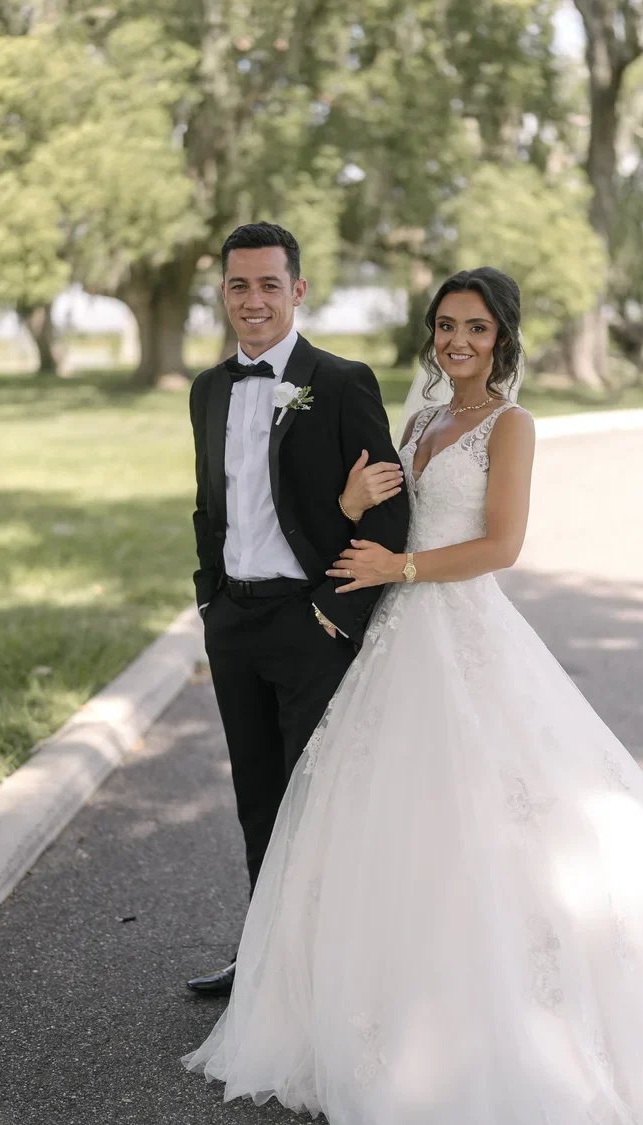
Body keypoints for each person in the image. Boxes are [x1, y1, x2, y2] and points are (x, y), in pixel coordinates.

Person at [183, 267, 643, 1123]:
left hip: (461, 623)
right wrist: (351, 503)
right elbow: (382, 510)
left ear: (502, 339)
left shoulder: (512, 425)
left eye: (475, 329)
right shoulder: (425, 418)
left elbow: (503, 543)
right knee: (371, 813)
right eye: (445, 326)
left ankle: (494, 1001)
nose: (457, 342)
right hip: (393, 630)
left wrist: (402, 567)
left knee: (483, 812)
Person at [186, 222, 409, 997]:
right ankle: (265, 960)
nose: (253, 301)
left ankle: (325, 974)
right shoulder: (207, 387)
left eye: (269, 284)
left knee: (312, 801)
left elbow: (387, 514)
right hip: (234, 623)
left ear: (299, 290)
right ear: (224, 292)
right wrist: (209, 595)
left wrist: (332, 615)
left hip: (309, 623)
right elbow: (211, 504)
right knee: (256, 799)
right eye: (239, 285)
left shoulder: (341, 381)